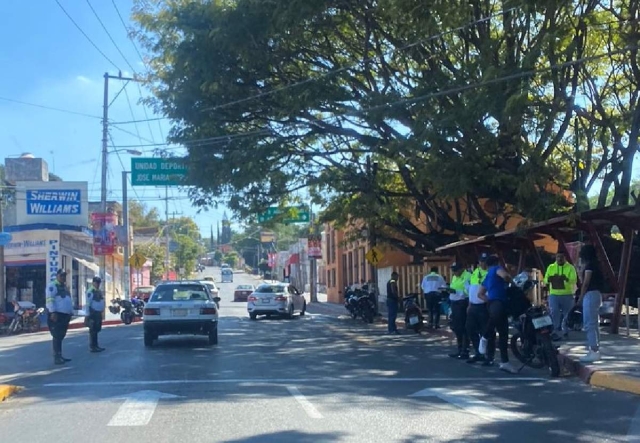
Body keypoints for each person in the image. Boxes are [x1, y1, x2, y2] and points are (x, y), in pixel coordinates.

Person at [478, 255, 517, 373]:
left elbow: (480, 294)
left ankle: (505, 362)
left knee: (503, 332)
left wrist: (488, 299)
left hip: (493, 302)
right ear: (497, 262)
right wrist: (511, 281)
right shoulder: (497, 269)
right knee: (497, 322)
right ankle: (484, 337)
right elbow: (505, 276)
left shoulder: (487, 276)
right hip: (499, 301)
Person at [577, 245, 604, 362]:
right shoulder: (597, 265)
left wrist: (581, 297)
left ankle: (593, 350)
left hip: (590, 295)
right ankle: (595, 349)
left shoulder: (589, 266)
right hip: (597, 294)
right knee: (594, 323)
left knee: (589, 323)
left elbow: (586, 282)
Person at [544, 252, 578, 341]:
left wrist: (566, 279)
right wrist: (549, 279)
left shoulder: (570, 268)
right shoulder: (551, 267)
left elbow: (574, 280)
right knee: (554, 311)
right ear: (555, 257)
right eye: (558, 257)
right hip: (554, 294)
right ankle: (555, 330)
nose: (559, 259)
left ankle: (565, 330)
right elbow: (545, 279)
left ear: (565, 258)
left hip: (567, 294)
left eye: (561, 257)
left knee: (567, 313)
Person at [466, 253, 490, 364]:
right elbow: (472, 289)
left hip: (484, 306)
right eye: (480, 261)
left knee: (485, 331)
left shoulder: (490, 272)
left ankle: (489, 356)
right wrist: (470, 304)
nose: (482, 263)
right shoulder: (475, 272)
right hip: (473, 305)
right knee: (470, 329)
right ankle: (478, 352)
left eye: (484, 261)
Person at [46, 269, 74, 365]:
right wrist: (53, 312)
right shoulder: (52, 286)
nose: (63, 277)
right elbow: (50, 300)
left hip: (64, 315)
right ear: (57, 275)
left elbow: (68, 299)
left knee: (61, 335)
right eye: (61, 275)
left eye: (64, 276)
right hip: (57, 315)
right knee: (57, 336)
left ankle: (60, 355)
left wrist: (70, 312)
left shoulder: (64, 287)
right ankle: (57, 357)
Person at [448, 263, 471, 359]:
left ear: (462, 269)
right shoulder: (455, 276)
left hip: (462, 303)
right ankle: (460, 349)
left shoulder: (467, 276)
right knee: (456, 327)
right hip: (454, 303)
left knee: (463, 327)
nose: (454, 272)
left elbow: (469, 291)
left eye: (456, 270)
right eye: (453, 270)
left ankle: (465, 350)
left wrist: (456, 292)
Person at [85, 276, 106, 353]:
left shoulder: (98, 291)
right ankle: (93, 346)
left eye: (99, 283)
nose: (98, 284)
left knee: (97, 329)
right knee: (93, 330)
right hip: (93, 313)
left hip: (98, 313)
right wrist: (87, 315)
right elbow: (88, 304)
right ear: (93, 282)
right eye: (96, 282)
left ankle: (96, 345)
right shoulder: (90, 291)